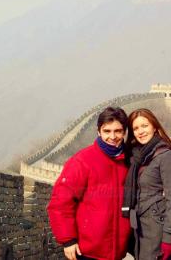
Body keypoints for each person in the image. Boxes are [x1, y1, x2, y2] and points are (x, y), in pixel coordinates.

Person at [47, 107, 131, 260]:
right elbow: (60, 203)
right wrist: (68, 240)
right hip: (86, 252)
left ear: (124, 132)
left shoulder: (129, 161)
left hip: (117, 252)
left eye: (118, 131)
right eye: (107, 131)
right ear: (98, 131)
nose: (112, 136)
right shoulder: (82, 161)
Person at [122, 108, 171, 260]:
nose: (140, 131)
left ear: (155, 127)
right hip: (140, 227)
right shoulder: (136, 157)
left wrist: (169, 237)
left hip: (158, 228)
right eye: (136, 128)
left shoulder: (165, 156)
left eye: (145, 126)